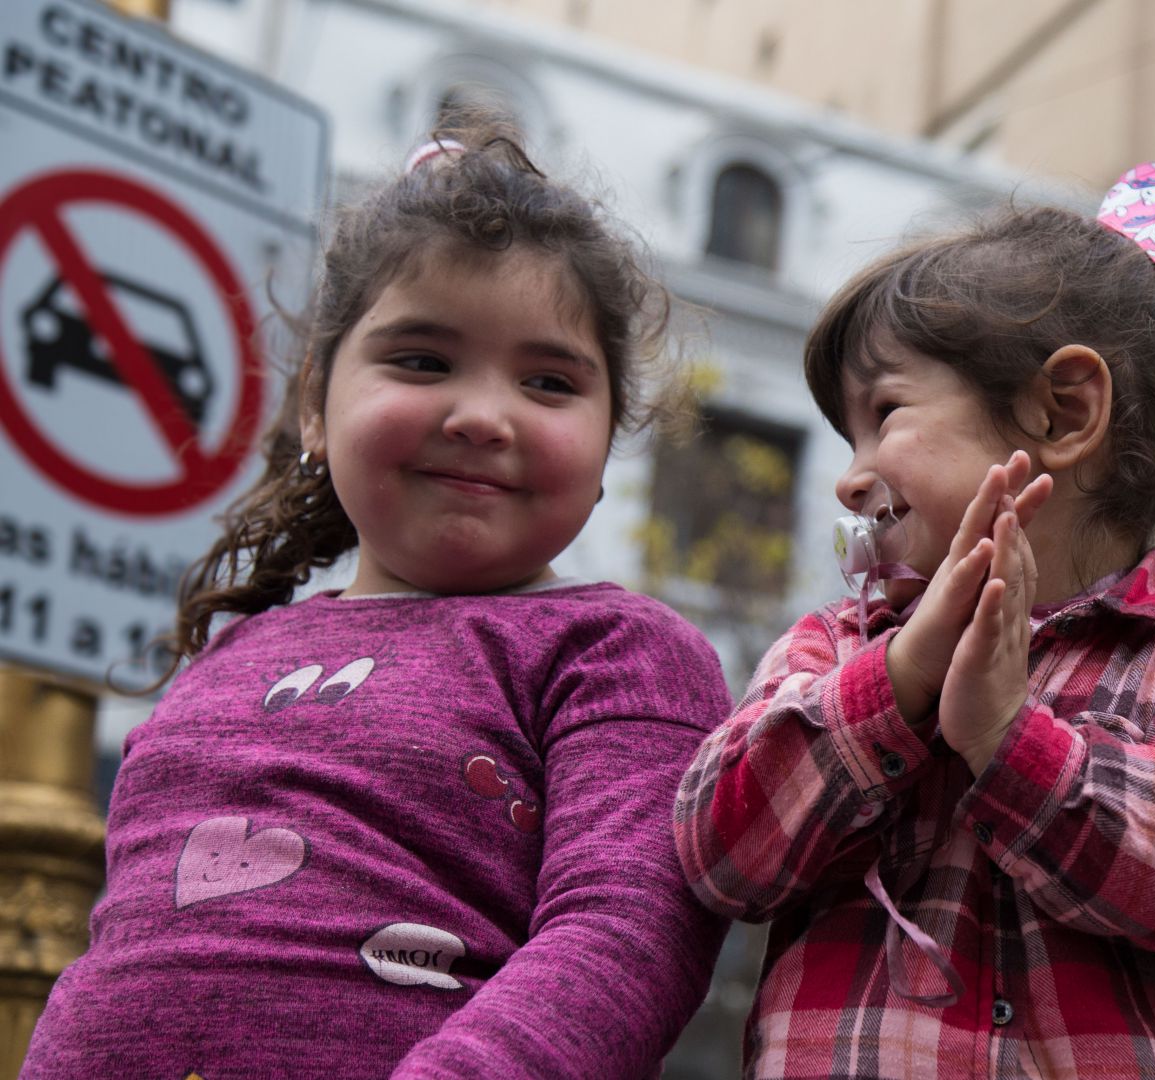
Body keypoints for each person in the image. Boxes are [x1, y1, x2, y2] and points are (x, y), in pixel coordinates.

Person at [23, 120, 730, 1079]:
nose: (483, 416)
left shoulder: (617, 650)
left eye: (548, 381)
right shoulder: (227, 659)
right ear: (316, 400)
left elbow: (626, 936)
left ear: (608, 442)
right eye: (423, 361)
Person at [675, 162, 1155, 1079]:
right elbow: (717, 854)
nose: (850, 477)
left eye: (884, 414)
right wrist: (894, 689)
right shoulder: (836, 648)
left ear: (1063, 410)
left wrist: (1014, 742)